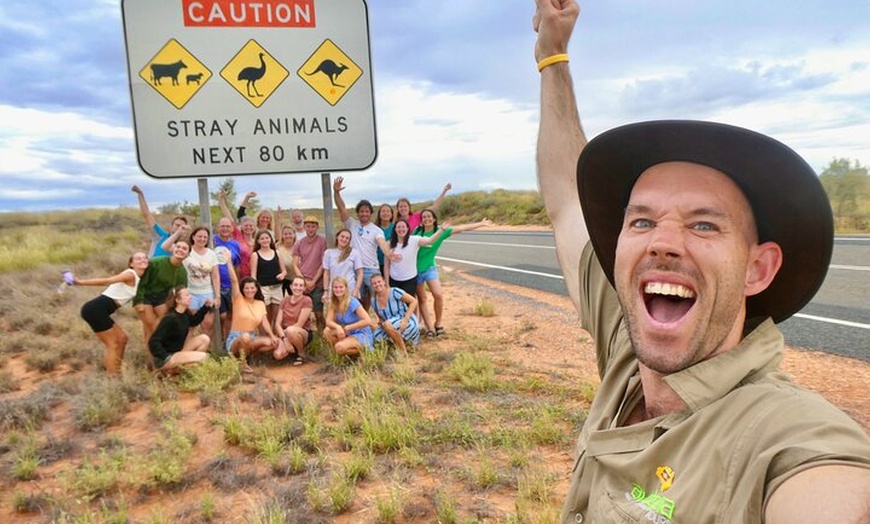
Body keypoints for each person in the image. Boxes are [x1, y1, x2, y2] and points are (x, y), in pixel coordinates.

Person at [533, 2, 870, 522]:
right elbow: (565, 198)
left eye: (704, 224)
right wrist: (552, 57)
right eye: (641, 221)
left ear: (758, 268)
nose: (661, 243)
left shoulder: (784, 438)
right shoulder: (629, 350)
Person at [413, 210, 491, 338]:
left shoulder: (441, 231)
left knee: (438, 295)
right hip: (415, 270)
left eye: (429, 217)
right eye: (424, 217)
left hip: (429, 268)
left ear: (433, 219)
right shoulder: (417, 232)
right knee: (422, 299)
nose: (426, 219)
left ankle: (438, 324)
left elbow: (462, 228)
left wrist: (481, 224)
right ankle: (429, 329)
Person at [72, 252, 149, 374]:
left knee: (122, 339)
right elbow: (107, 280)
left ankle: (116, 369)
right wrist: (79, 282)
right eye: (138, 258)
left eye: (145, 258)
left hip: (101, 310)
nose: (143, 260)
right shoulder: (130, 274)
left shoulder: (141, 279)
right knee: (113, 344)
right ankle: (112, 377)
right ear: (131, 264)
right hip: (95, 309)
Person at [333, 176, 393, 311]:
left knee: (377, 298)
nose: (364, 213)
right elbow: (341, 208)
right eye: (361, 211)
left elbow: (381, 242)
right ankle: (362, 323)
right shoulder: (352, 224)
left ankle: (383, 322)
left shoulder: (376, 230)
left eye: (367, 211)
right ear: (358, 213)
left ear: (371, 213)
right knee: (358, 299)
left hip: (371, 269)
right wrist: (336, 192)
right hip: (353, 268)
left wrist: (389, 253)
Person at [223, 255, 281, 371]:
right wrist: (229, 262)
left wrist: (272, 335)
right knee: (245, 338)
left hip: (252, 336)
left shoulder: (259, 303)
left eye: (252, 288)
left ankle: (249, 356)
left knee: (272, 343)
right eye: (247, 288)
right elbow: (234, 281)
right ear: (242, 290)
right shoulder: (238, 299)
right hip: (237, 337)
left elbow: (264, 322)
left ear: (256, 289)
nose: (250, 290)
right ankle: (241, 363)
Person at [161, 225, 220, 337]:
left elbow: (215, 275)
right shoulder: (186, 250)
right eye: (199, 236)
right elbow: (164, 246)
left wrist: (217, 296)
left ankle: (205, 352)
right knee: (189, 326)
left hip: (206, 292)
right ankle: (187, 351)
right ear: (193, 237)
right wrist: (178, 233)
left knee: (207, 325)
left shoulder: (211, 254)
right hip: (189, 293)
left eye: (205, 237)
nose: (202, 239)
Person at [133, 240, 190, 348]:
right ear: (173, 248)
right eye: (178, 247)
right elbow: (140, 282)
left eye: (184, 248)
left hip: (162, 298)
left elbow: (179, 292)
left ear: (188, 254)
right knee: (151, 327)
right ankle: (153, 362)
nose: (180, 250)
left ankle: (162, 357)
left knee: (162, 326)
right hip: (145, 295)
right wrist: (139, 300)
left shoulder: (182, 272)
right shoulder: (156, 262)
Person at [148, 287, 212, 372]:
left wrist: (205, 307)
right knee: (204, 357)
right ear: (178, 300)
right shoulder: (170, 318)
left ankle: (183, 371)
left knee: (204, 339)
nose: (190, 297)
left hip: (178, 352)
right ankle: (173, 371)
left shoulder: (184, 315)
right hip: (167, 358)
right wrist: (165, 357)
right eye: (187, 295)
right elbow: (153, 341)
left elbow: (194, 321)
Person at [384, 218, 445, 298]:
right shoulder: (389, 243)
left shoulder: (414, 240)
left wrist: (441, 230)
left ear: (407, 229)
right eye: (398, 227)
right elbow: (386, 266)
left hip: (410, 280)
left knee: (408, 303)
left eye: (403, 227)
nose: (401, 229)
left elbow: (429, 241)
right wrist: (387, 284)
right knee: (396, 304)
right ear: (395, 229)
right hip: (394, 280)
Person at [322, 276, 375, 357]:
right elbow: (328, 321)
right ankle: (342, 353)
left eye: (341, 287)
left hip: (360, 333)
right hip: (347, 332)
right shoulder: (334, 302)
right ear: (332, 289)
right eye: (335, 287)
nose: (338, 290)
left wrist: (348, 327)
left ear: (346, 288)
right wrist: (338, 327)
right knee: (327, 331)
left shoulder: (352, 302)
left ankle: (364, 351)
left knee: (339, 347)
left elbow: (368, 320)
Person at [292, 215, 327, 331]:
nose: (310, 229)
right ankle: (303, 334)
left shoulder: (322, 241)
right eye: (308, 226)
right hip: (303, 282)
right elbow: (295, 264)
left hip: (317, 282)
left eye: (313, 226)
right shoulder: (299, 243)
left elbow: (323, 263)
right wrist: (303, 281)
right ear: (304, 227)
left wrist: (313, 281)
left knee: (318, 312)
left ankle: (322, 337)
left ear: (317, 227)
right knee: (301, 311)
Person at [131, 185, 188, 258]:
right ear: (171, 226)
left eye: (182, 227)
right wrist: (140, 194)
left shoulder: (184, 245)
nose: (179, 228)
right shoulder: (160, 235)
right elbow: (147, 215)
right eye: (177, 225)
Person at [370, 273, 419, 355]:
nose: (377, 285)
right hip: (388, 325)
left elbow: (413, 301)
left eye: (379, 282)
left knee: (387, 325)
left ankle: (403, 351)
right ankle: (398, 344)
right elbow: (381, 318)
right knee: (375, 337)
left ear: (384, 282)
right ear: (372, 286)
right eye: (374, 283)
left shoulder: (394, 291)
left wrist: (405, 320)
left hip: (404, 319)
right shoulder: (373, 301)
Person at [274, 276, 314, 365]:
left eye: (301, 286)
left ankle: (301, 353)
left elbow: (299, 324)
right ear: (291, 286)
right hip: (285, 333)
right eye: (295, 285)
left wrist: (287, 335)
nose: (298, 288)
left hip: (302, 332)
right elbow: (277, 323)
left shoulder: (307, 300)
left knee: (291, 330)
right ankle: (292, 352)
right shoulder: (284, 300)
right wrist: (285, 339)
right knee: (278, 355)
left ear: (304, 288)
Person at [251, 228, 286, 326]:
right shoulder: (255, 255)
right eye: (262, 238)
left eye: (267, 238)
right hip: (263, 289)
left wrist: (282, 275)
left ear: (271, 239)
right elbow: (253, 275)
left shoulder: (277, 253)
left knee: (277, 316)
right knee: (265, 316)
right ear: (258, 241)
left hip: (277, 288)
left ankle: (276, 337)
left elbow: (284, 270)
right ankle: (266, 337)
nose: (265, 240)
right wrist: (255, 290)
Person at [214, 217, 242, 340]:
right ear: (217, 228)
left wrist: (238, 284)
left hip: (230, 285)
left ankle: (227, 341)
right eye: (222, 226)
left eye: (228, 226)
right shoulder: (212, 241)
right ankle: (218, 340)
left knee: (231, 315)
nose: (225, 229)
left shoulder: (235, 244)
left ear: (232, 228)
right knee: (221, 315)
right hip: (216, 285)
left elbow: (237, 266)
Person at [218, 189, 256, 278]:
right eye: (246, 225)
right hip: (238, 274)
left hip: (255, 276)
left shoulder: (258, 240)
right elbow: (229, 217)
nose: (248, 227)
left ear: (254, 228)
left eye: (251, 226)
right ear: (241, 227)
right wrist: (221, 201)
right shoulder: (238, 236)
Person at [322, 228, 363, 301]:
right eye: (342, 236)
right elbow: (326, 273)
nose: (344, 239)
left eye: (347, 238)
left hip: (350, 289)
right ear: (337, 237)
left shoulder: (354, 253)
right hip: (335, 290)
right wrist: (326, 291)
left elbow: (360, 273)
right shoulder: (328, 253)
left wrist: (356, 289)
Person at [276, 224, 298, 296]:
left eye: (290, 234)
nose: (288, 236)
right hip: (281, 279)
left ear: (294, 234)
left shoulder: (299, 246)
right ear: (282, 235)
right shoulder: (277, 246)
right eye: (285, 234)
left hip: (295, 278)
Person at [373, 203, 395, 275]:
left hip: (392, 263)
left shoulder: (396, 228)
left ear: (391, 214)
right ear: (379, 214)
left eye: (388, 211)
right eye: (383, 211)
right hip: (375, 264)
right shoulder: (373, 228)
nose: (386, 213)